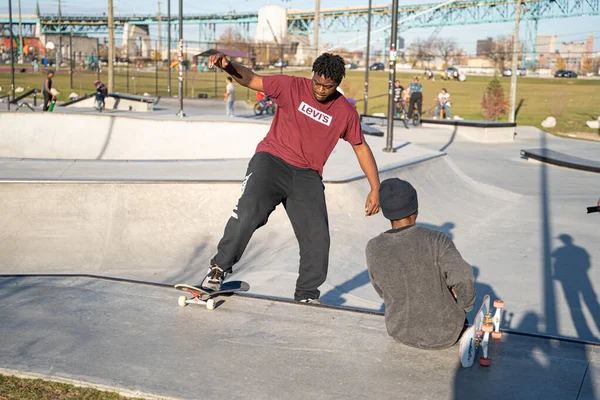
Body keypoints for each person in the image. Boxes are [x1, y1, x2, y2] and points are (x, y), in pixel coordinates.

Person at [204, 52, 381, 303]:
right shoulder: (291, 86)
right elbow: (251, 79)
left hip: (307, 176)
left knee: (318, 238)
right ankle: (219, 268)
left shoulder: (345, 112)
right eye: (317, 83)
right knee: (249, 210)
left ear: (338, 83)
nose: (320, 89)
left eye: (327, 86)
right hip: (271, 161)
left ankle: (307, 295)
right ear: (312, 76)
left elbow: (361, 147)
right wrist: (228, 66)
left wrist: (375, 187)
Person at [366, 178, 475, 349]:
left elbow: (382, 290)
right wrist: (465, 305)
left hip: (400, 332)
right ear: (415, 210)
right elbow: (463, 277)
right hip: (445, 334)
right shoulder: (437, 240)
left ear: (386, 212)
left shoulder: (373, 247)